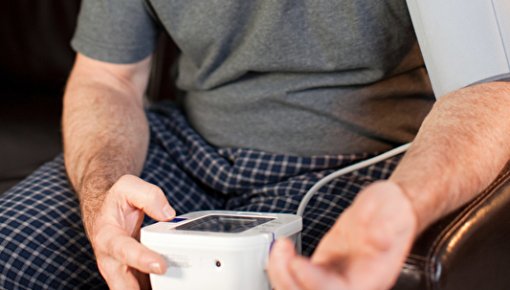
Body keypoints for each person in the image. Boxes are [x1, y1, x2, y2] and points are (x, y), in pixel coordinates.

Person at [1, 0, 509, 289]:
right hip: (186, 149)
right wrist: (103, 192)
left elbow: (490, 88)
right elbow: (106, 79)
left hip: (368, 164)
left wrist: (403, 204)